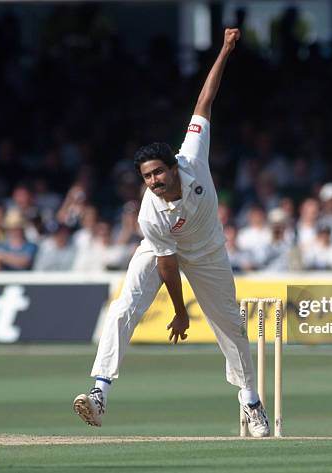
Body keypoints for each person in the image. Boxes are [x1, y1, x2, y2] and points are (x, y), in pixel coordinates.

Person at [73, 29, 270, 437]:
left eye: (159, 172)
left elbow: (204, 101)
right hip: (162, 249)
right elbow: (166, 265)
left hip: (209, 251)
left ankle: (250, 401)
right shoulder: (150, 214)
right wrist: (180, 311)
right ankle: (99, 391)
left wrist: (225, 51)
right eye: (147, 176)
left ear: (173, 166)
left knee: (229, 325)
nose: (154, 181)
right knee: (125, 306)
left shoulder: (192, 157)